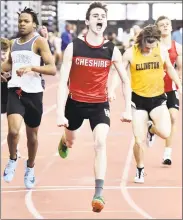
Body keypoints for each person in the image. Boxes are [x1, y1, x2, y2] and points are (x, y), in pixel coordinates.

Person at [56, 2, 132, 212]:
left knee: (100, 143)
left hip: (99, 104)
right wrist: (60, 113)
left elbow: (126, 80)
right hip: (76, 103)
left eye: (103, 16)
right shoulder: (74, 47)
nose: (99, 19)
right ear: (88, 21)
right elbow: (63, 82)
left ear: (105, 22)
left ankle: (98, 192)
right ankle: (64, 139)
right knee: (71, 141)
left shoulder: (112, 50)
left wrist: (127, 108)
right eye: (95, 15)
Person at [108, 25, 182, 183]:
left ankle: (151, 128)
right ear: (142, 40)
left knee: (165, 133)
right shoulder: (130, 53)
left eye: (153, 45)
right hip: (138, 100)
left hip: (158, 98)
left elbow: (170, 68)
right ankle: (140, 169)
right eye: (147, 45)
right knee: (138, 139)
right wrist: (112, 90)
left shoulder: (161, 50)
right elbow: (118, 73)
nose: (149, 49)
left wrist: (179, 85)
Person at [1, 7, 56, 189]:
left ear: (34, 24)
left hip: (33, 94)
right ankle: (12, 158)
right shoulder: (13, 42)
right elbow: (9, 64)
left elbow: (52, 68)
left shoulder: (39, 42)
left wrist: (31, 68)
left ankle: (30, 167)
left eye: (26, 21)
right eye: (20, 21)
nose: (22, 24)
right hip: (15, 91)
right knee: (13, 132)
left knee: (32, 137)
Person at [155, 16, 182, 165]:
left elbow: (180, 69)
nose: (165, 26)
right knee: (158, 123)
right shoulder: (154, 46)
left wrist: (179, 83)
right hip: (155, 89)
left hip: (171, 88)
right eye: (162, 25)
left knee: (173, 118)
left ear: (171, 27)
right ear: (157, 29)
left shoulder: (177, 47)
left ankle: (167, 152)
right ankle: (151, 130)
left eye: (167, 24)